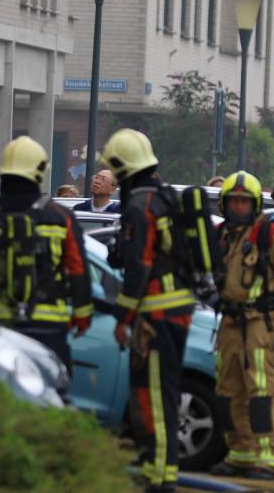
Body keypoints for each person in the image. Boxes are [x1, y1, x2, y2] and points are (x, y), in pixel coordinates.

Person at [101, 128, 193, 493]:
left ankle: (160, 476)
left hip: (157, 312)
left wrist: (123, 318)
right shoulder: (166, 197)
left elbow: (138, 266)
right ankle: (158, 468)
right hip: (174, 309)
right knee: (161, 393)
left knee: (153, 395)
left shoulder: (140, 205)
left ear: (123, 169)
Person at [0, 136, 92, 375]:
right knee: (51, 399)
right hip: (50, 328)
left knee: (2, 401)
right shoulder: (60, 217)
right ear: (41, 171)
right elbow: (79, 271)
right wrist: (82, 317)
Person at [209, 171, 274, 481]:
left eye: (244, 201)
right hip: (229, 323)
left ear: (253, 205)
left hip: (261, 325)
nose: (238, 207)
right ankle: (241, 453)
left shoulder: (272, 234)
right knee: (228, 390)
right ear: (224, 205)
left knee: (263, 391)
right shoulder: (223, 236)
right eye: (233, 201)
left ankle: (272, 459)